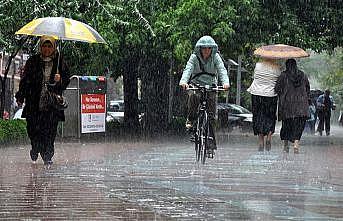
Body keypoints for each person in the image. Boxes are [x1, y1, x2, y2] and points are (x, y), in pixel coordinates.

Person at [15, 35, 70, 165]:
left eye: (49, 46)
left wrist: (60, 80)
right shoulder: (33, 61)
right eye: (44, 46)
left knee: (50, 131)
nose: (46, 49)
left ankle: (48, 156)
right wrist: (21, 96)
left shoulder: (60, 62)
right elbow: (25, 80)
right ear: (40, 47)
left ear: (54, 47)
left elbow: (66, 81)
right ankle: (35, 147)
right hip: (34, 102)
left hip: (52, 104)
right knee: (33, 129)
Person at [179, 35, 230, 153]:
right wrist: (183, 82)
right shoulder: (194, 58)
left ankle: (210, 142)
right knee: (193, 96)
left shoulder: (216, 57)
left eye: (209, 48)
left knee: (211, 115)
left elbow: (222, 70)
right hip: (196, 85)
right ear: (200, 48)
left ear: (212, 49)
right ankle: (191, 120)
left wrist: (225, 83)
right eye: (204, 48)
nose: (206, 50)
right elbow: (188, 70)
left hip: (211, 86)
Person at [275, 59, 310, 154]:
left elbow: (277, 89)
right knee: (299, 126)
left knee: (287, 125)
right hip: (301, 105)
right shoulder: (303, 75)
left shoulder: (283, 75)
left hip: (287, 105)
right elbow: (307, 89)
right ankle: (296, 144)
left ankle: (286, 145)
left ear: (287, 66)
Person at [247, 57, 281, 151]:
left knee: (258, 116)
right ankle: (269, 136)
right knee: (270, 116)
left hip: (257, 94)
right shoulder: (277, 68)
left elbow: (255, 77)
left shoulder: (258, 66)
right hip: (271, 95)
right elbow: (278, 81)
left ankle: (261, 140)